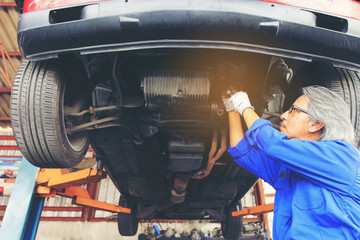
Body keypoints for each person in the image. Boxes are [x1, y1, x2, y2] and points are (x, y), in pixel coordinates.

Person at [223, 85, 360, 239]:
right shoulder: (288, 170)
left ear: (315, 123)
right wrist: (232, 108)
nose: (283, 115)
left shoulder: (343, 157)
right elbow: (242, 150)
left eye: (293, 110)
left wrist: (245, 107)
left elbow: (271, 143)